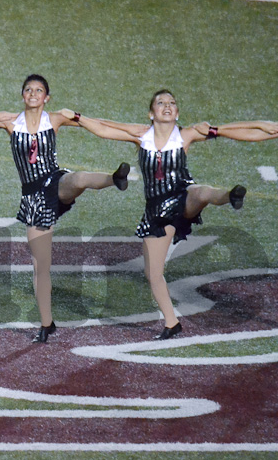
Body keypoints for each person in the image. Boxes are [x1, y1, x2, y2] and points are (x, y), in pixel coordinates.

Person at [0, 74, 130, 343]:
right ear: (23, 95)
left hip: (56, 182)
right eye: (28, 90)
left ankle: (114, 178)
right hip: (34, 198)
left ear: (46, 98)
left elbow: (103, 128)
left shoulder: (55, 118)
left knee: (79, 179)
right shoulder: (11, 122)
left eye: (39, 90)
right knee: (41, 266)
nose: (33, 93)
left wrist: (80, 116)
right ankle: (47, 323)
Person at [64, 89, 278, 339]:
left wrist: (267, 128)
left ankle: (229, 196)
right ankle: (171, 322)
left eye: (172, 103)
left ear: (177, 113)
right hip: (156, 211)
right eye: (161, 103)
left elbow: (238, 131)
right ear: (151, 113)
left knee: (200, 193)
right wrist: (77, 117)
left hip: (182, 197)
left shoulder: (186, 134)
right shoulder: (140, 134)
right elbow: (103, 128)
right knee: (153, 274)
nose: (167, 106)